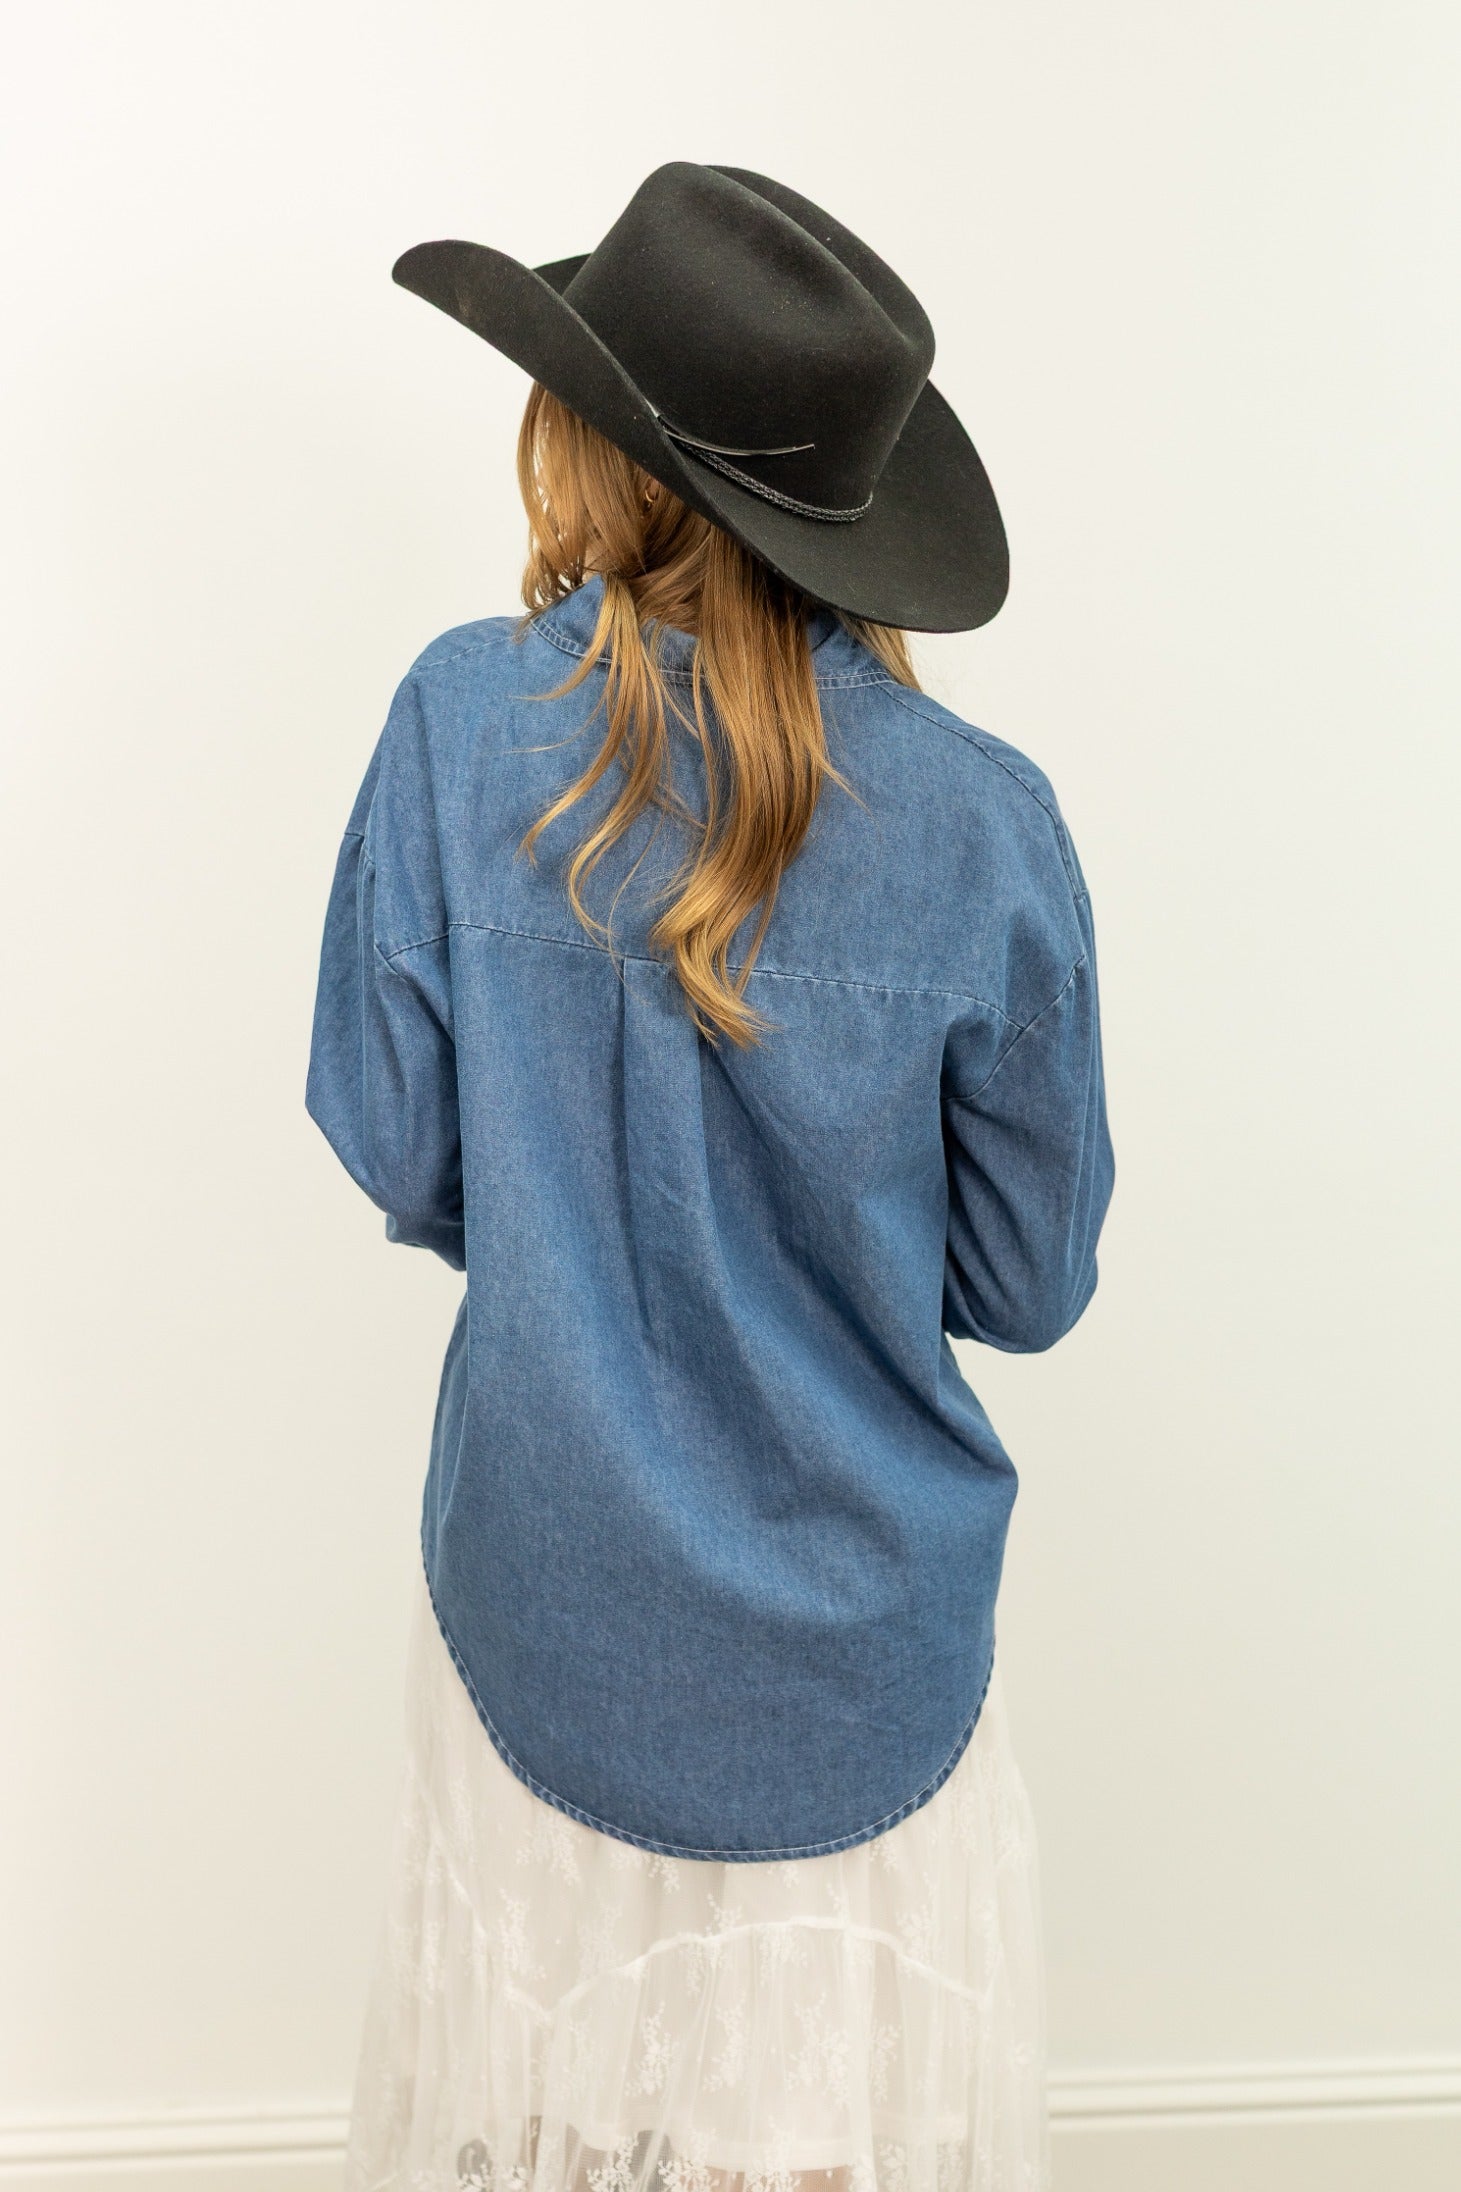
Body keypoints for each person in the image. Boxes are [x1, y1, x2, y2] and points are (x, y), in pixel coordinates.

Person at [306, 161, 1115, 2192]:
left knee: (542, 2127)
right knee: (811, 2136)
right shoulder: (982, 822)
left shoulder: (458, 724)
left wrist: (572, 1216)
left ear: (598, 439)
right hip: (857, 1645)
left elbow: (394, 1140)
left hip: (543, 1593)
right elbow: (1027, 1282)